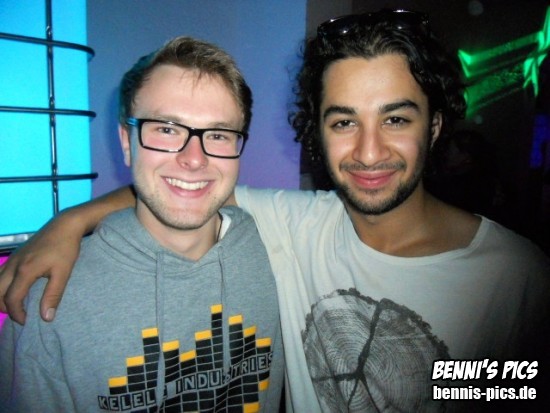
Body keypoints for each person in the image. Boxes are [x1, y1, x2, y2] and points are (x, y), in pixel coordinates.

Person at [2, 8, 550, 413]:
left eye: (396, 119)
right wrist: (68, 222)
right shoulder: (293, 227)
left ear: (433, 127)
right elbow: (189, 186)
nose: (368, 151)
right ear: (318, 133)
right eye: (344, 122)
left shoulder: (516, 277)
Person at [0, 36, 284, 412]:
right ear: (126, 141)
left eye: (218, 134)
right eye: (166, 129)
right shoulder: (52, 300)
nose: (194, 159)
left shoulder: (280, 252)